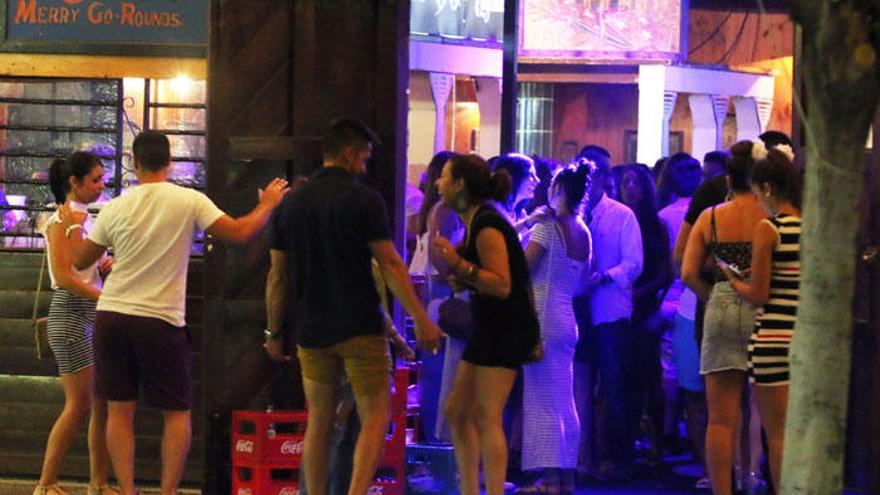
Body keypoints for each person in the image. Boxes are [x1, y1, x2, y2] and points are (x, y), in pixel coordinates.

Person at [60, 130, 290, 495]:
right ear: (169, 162)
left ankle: (129, 490)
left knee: (119, 412)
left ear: (134, 164)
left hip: (113, 317)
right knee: (177, 413)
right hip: (161, 320)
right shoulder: (189, 200)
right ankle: (168, 492)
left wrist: (73, 223)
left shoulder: (117, 205)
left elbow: (79, 259)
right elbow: (240, 233)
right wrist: (268, 204)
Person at [264, 118, 443, 495]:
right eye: (363, 157)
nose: (364, 166)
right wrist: (421, 320)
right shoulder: (365, 200)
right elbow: (392, 265)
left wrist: (274, 332)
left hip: (311, 328)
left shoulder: (291, 204)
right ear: (348, 154)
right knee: (376, 415)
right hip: (359, 324)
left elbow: (277, 277)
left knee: (319, 420)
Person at [431, 153, 541, 495]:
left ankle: (490, 489)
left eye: (445, 177)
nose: (438, 183)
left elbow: (502, 284)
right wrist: (464, 277)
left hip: (505, 329)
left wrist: (458, 265)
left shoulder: (488, 225)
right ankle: (470, 489)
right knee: (456, 410)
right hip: (491, 327)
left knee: (486, 415)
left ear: (461, 185)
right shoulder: (476, 220)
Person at [681, 140, 767, 495]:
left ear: (728, 181)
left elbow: (686, 272)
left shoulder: (711, 216)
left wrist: (715, 295)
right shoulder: (771, 217)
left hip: (720, 309)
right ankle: (761, 480)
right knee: (768, 416)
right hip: (765, 311)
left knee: (720, 418)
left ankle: (722, 490)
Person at [34, 152, 116, 495]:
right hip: (69, 315)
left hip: (89, 315)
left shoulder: (86, 220)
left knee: (100, 403)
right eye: (95, 180)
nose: (101, 186)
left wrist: (102, 270)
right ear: (74, 183)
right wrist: (104, 297)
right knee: (79, 404)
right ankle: (45, 483)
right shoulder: (59, 221)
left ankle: (98, 483)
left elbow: (82, 269)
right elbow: (65, 278)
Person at [722, 146, 800, 493]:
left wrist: (731, 276)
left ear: (766, 188)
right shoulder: (808, 226)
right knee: (799, 432)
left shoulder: (770, 228)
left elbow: (759, 294)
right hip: (803, 339)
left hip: (772, 338)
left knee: (778, 433)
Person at [519, 161, 592, 495]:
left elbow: (522, 267)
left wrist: (522, 229)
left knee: (543, 400)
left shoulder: (548, 228)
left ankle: (549, 480)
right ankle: (565, 477)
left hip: (541, 317)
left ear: (559, 190)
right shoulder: (583, 230)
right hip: (567, 316)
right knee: (565, 400)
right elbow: (582, 280)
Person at [574, 145, 643, 480]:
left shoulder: (620, 215)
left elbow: (634, 263)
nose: (591, 178)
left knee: (614, 389)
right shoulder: (571, 214)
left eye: (598, 171)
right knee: (580, 389)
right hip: (577, 309)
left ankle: (618, 460)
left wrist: (605, 276)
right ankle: (582, 457)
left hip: (610, 311)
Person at [617, 163, 674, 468]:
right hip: (617, 305)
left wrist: (638, 295)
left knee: (649, 378)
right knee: (621, 378)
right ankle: (626, 442)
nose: (629, 188)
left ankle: (657, 445)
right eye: (625, 182)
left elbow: (665, 272)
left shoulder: (654, 225)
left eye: (634, 182)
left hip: (644, 306)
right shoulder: (616, 218)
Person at [657, 153, 708, 486]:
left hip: (673, 298)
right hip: (695, 296)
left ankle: (667, 432)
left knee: (670, 372)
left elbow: (667, 266)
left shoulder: (664, 215)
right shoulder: (707, 215)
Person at [490, 153, 541, 234]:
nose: (537, 180)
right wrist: (527, 222)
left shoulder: (520, 213)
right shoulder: (492, 208)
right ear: (514, 177)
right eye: (531, 175)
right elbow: (500, 236)